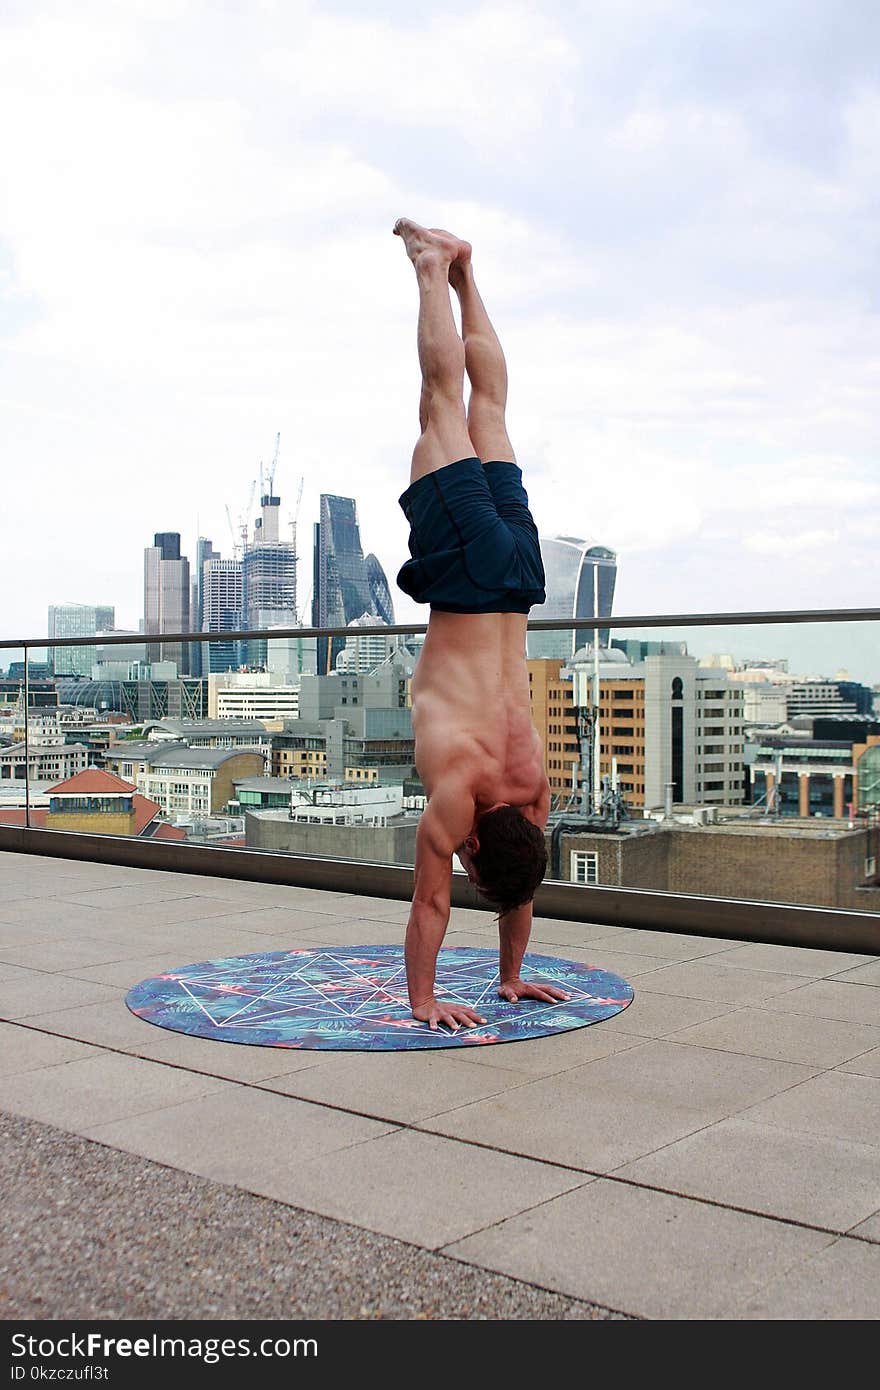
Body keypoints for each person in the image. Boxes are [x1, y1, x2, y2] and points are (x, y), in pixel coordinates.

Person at [393, 217, 570, 1031]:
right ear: (472, 849)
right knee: (444, 407)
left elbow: (521, 883)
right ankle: (433, 267)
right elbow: (432, 905)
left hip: (517, 584)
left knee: (492, 410)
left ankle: (466, 273)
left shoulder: (534, 794)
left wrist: (508, 981)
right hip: (465, 582)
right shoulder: (461, 795)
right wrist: (423, 1000)